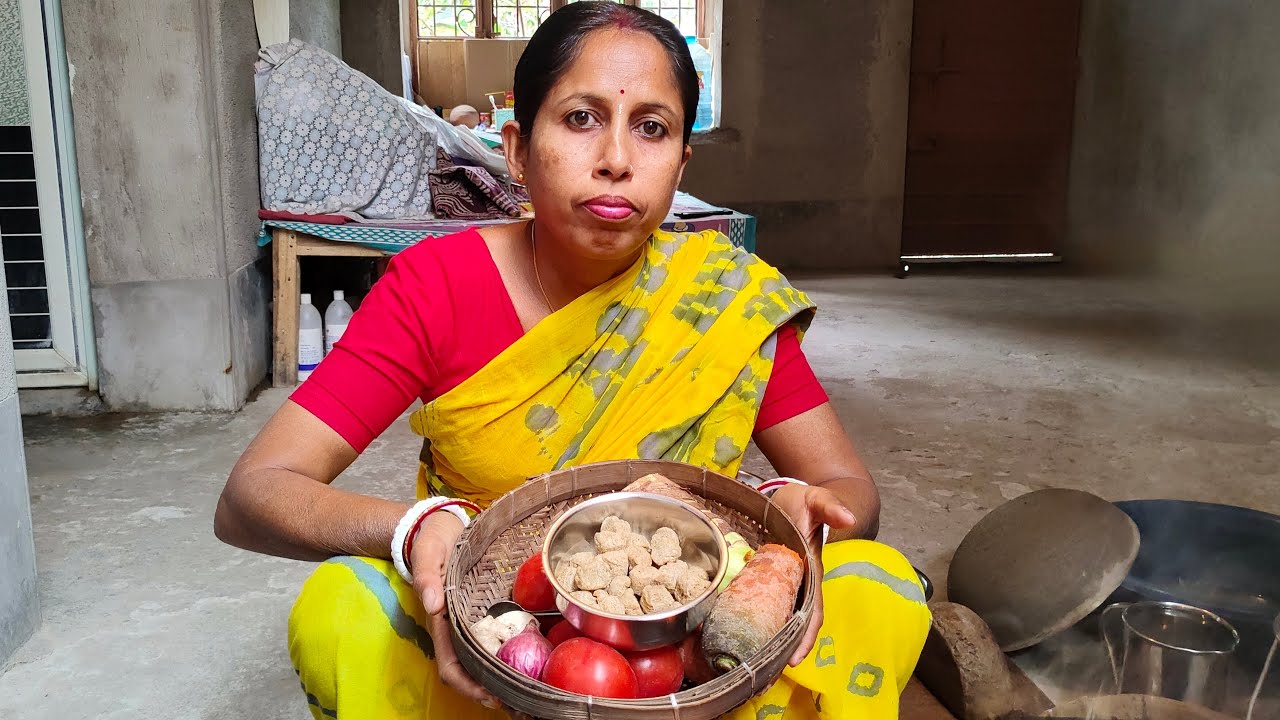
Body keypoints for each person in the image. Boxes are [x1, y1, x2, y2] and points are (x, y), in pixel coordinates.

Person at [214, 3, 929, 719]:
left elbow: (849, 491)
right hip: (495, 639)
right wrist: (416, 528)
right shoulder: (438, 288)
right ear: (518, 150)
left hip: (694, 647)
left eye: (652, 128)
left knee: (875, 583)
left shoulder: (720, 298)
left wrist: (791, 525)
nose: (617, 159)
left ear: (681, 162)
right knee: (341, 608)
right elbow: (254, 496)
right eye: (581, 118)